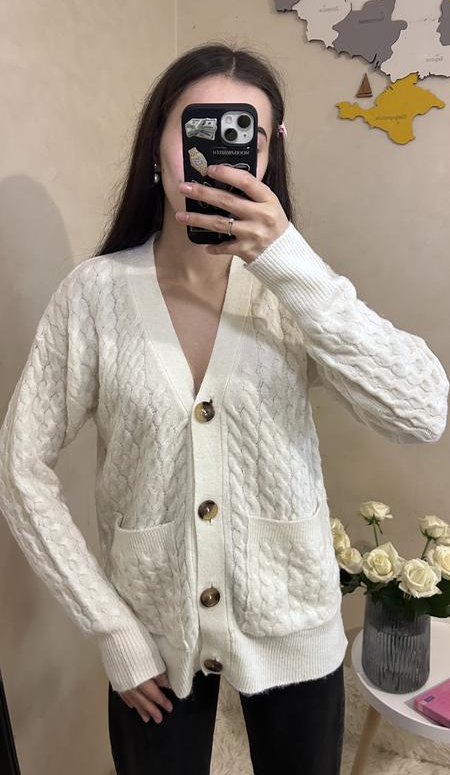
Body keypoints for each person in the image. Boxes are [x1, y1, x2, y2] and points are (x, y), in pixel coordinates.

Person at [0, 42, 448, 775]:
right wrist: (112, 629)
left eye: (246, 133)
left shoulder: (294, 291)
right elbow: (20, 466)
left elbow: (423, 410)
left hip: (295, 624)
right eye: (195, 128)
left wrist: (288, 262)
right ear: (159, 146)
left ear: (268, 155)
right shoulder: (94, 296)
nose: (216, 152)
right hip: (150, 633)